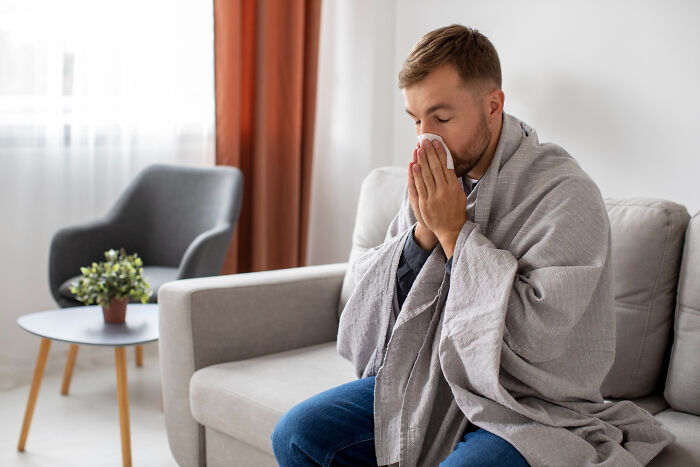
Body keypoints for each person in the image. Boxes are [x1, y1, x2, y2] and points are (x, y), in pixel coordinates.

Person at [271, 24, 674, 466]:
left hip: (528, 407)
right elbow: (383, 311)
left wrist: (454, 234)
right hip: (432, 378)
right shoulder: (436, 179)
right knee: (297, 434)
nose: (425, 138)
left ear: (493, 106)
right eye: (416, 120)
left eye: (441, 118)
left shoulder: (566, 194)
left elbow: (538, 338)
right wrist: (423, 235)